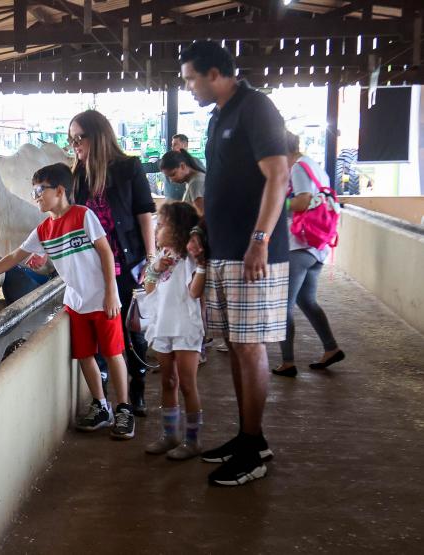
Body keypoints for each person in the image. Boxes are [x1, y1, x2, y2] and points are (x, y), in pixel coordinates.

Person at [180, 40, 290, 486]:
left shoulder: (256, 108)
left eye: (190, 78)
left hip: (252, 255)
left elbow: (278, 177)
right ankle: (249, 438)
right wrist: (202, 234)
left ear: (214, 73)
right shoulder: (218, 117)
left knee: (249, 347)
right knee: (236, 347)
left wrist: (259, 240)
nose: (188, 87)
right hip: (225, 250)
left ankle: (253, 443)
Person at [0, 163, 137, 440]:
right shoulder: (44, 229)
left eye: (39, 190)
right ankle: (102, 406)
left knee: (113, 353)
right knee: (84, 355)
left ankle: (125, 408)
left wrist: (111, 291)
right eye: (34, 191)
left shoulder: (83, 215)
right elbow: (15, 257)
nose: (35, 197)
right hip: (76, 302)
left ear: (60, 190)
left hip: (102, 299)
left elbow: (105, 251)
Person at [69, 109, 156, 418]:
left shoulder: (129, 167)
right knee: (106, 327)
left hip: (127, 260)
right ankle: (107, 395)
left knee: (132, 328)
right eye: (72, 139)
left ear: (98, 135)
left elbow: (145, 213)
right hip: (94, 268)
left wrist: (150, 258)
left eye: (80, 137)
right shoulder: (79, 174)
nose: (75, 144)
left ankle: (138, 388)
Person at [273, 132, 344, 378]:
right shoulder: (313, 165)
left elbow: (302, 202)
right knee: (306, 301)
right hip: (316, 245)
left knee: (283, 306)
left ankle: (288, 361)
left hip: (300, 244)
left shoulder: (298, 168)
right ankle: (330, 348)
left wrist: (276, 204)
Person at [140, 202, 206, 460]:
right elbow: (148, 288)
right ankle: (170, 435)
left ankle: (193, 440)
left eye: (162, 223)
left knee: (188, 384)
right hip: (163, 325)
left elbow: (194, 292)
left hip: (185, 327)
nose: (156, 228)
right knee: (168, 381)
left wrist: (201, 264)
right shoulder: (162, 255)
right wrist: (156, 269)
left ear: (177, 228)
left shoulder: (191, 257)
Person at [159, 150, 206, 214]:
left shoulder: (196, 182)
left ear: (182, 166)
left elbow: (202, 216)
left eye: (173, 174)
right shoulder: (192, 181)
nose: (171, 180)